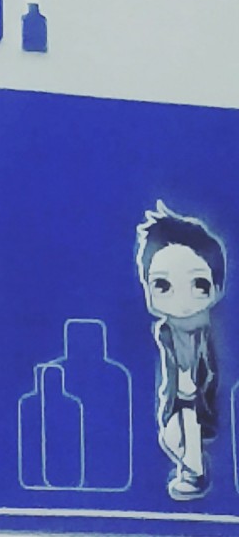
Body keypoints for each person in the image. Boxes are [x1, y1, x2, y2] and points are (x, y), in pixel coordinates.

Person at [136, 201, 225, 501]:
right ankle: (193, 472)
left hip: (196, 398)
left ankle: (194, 474)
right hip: (178, 398)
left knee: (178, 433)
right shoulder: (167, 331)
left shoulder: (202, 330)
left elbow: (201, 371)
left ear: (216, 287)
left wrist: (189, 391)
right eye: (162, 285)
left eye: (199, 285)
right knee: (171, 435)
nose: (182, 300)